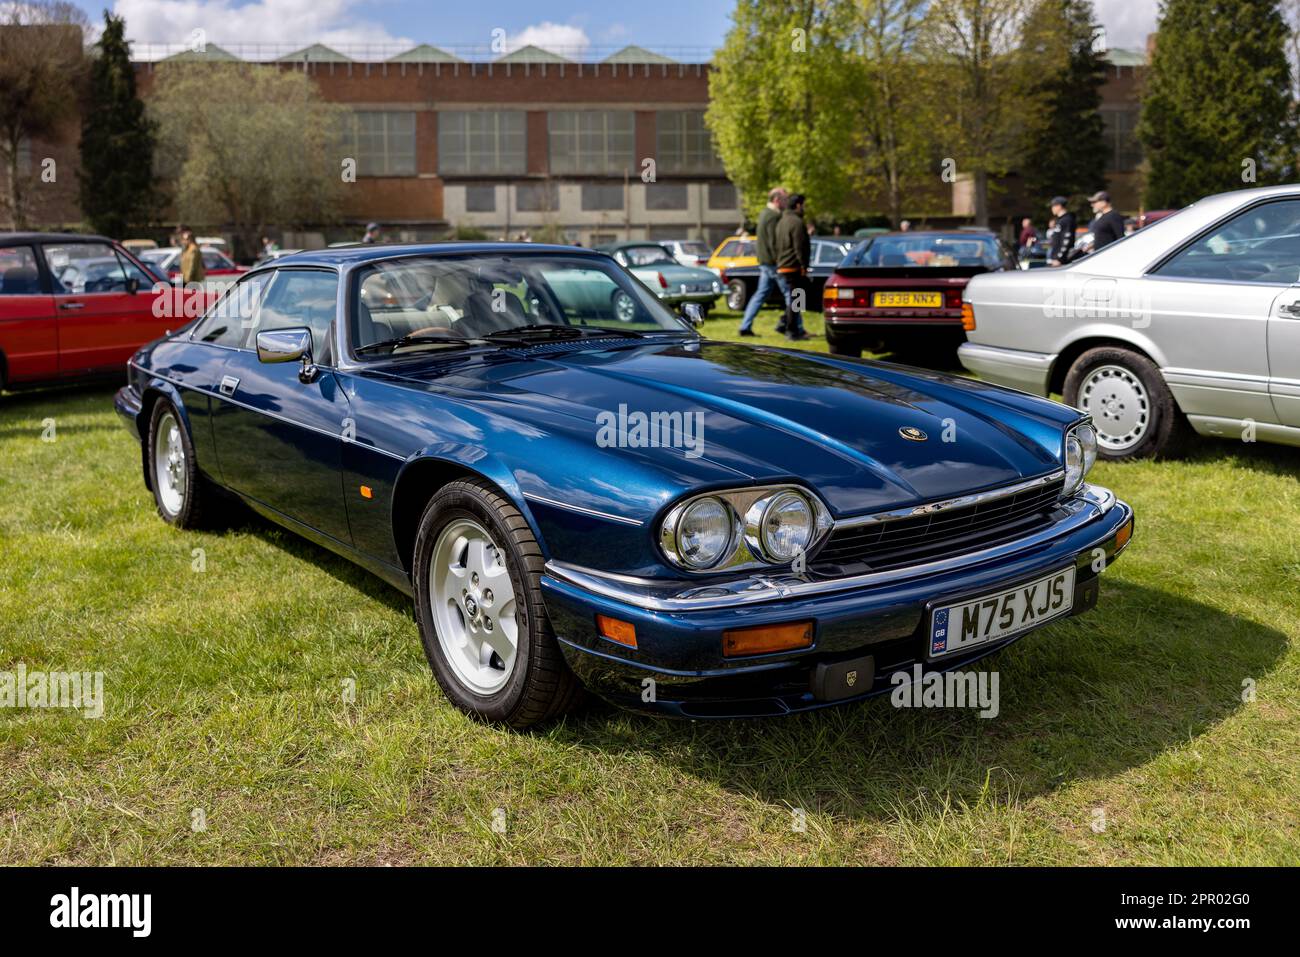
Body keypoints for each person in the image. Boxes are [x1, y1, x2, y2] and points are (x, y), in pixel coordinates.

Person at [738, 187, 790, 337]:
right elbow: (775, 242)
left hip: (766, 263)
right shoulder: (774, 216)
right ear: (776, 200)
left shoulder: (764, 214)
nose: (786, 203)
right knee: (793, 294)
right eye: (784, 199)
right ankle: (795, 326)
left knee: (760, 295)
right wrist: (781, 262)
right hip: (775, 263)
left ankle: (745, 326)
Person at [775, 193, 812, 342]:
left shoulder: (782, 221)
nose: (804, 208)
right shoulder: (796, 222)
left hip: (784, 264)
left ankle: (785, 323)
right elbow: (800, 247)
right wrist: (804, 265)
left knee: (796, 299)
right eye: (803, 205)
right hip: (793, 266)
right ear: (798, 205)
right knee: (797, 299)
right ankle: (791, 330)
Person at [1047, 196, 1076, 266]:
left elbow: (1066, 240)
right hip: (1056, 258)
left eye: (1053, 206)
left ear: (1059, 206)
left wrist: (1059, 258)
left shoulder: (1067, 219)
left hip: (1061, 260)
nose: (1052, 209)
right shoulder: (1060, 220)